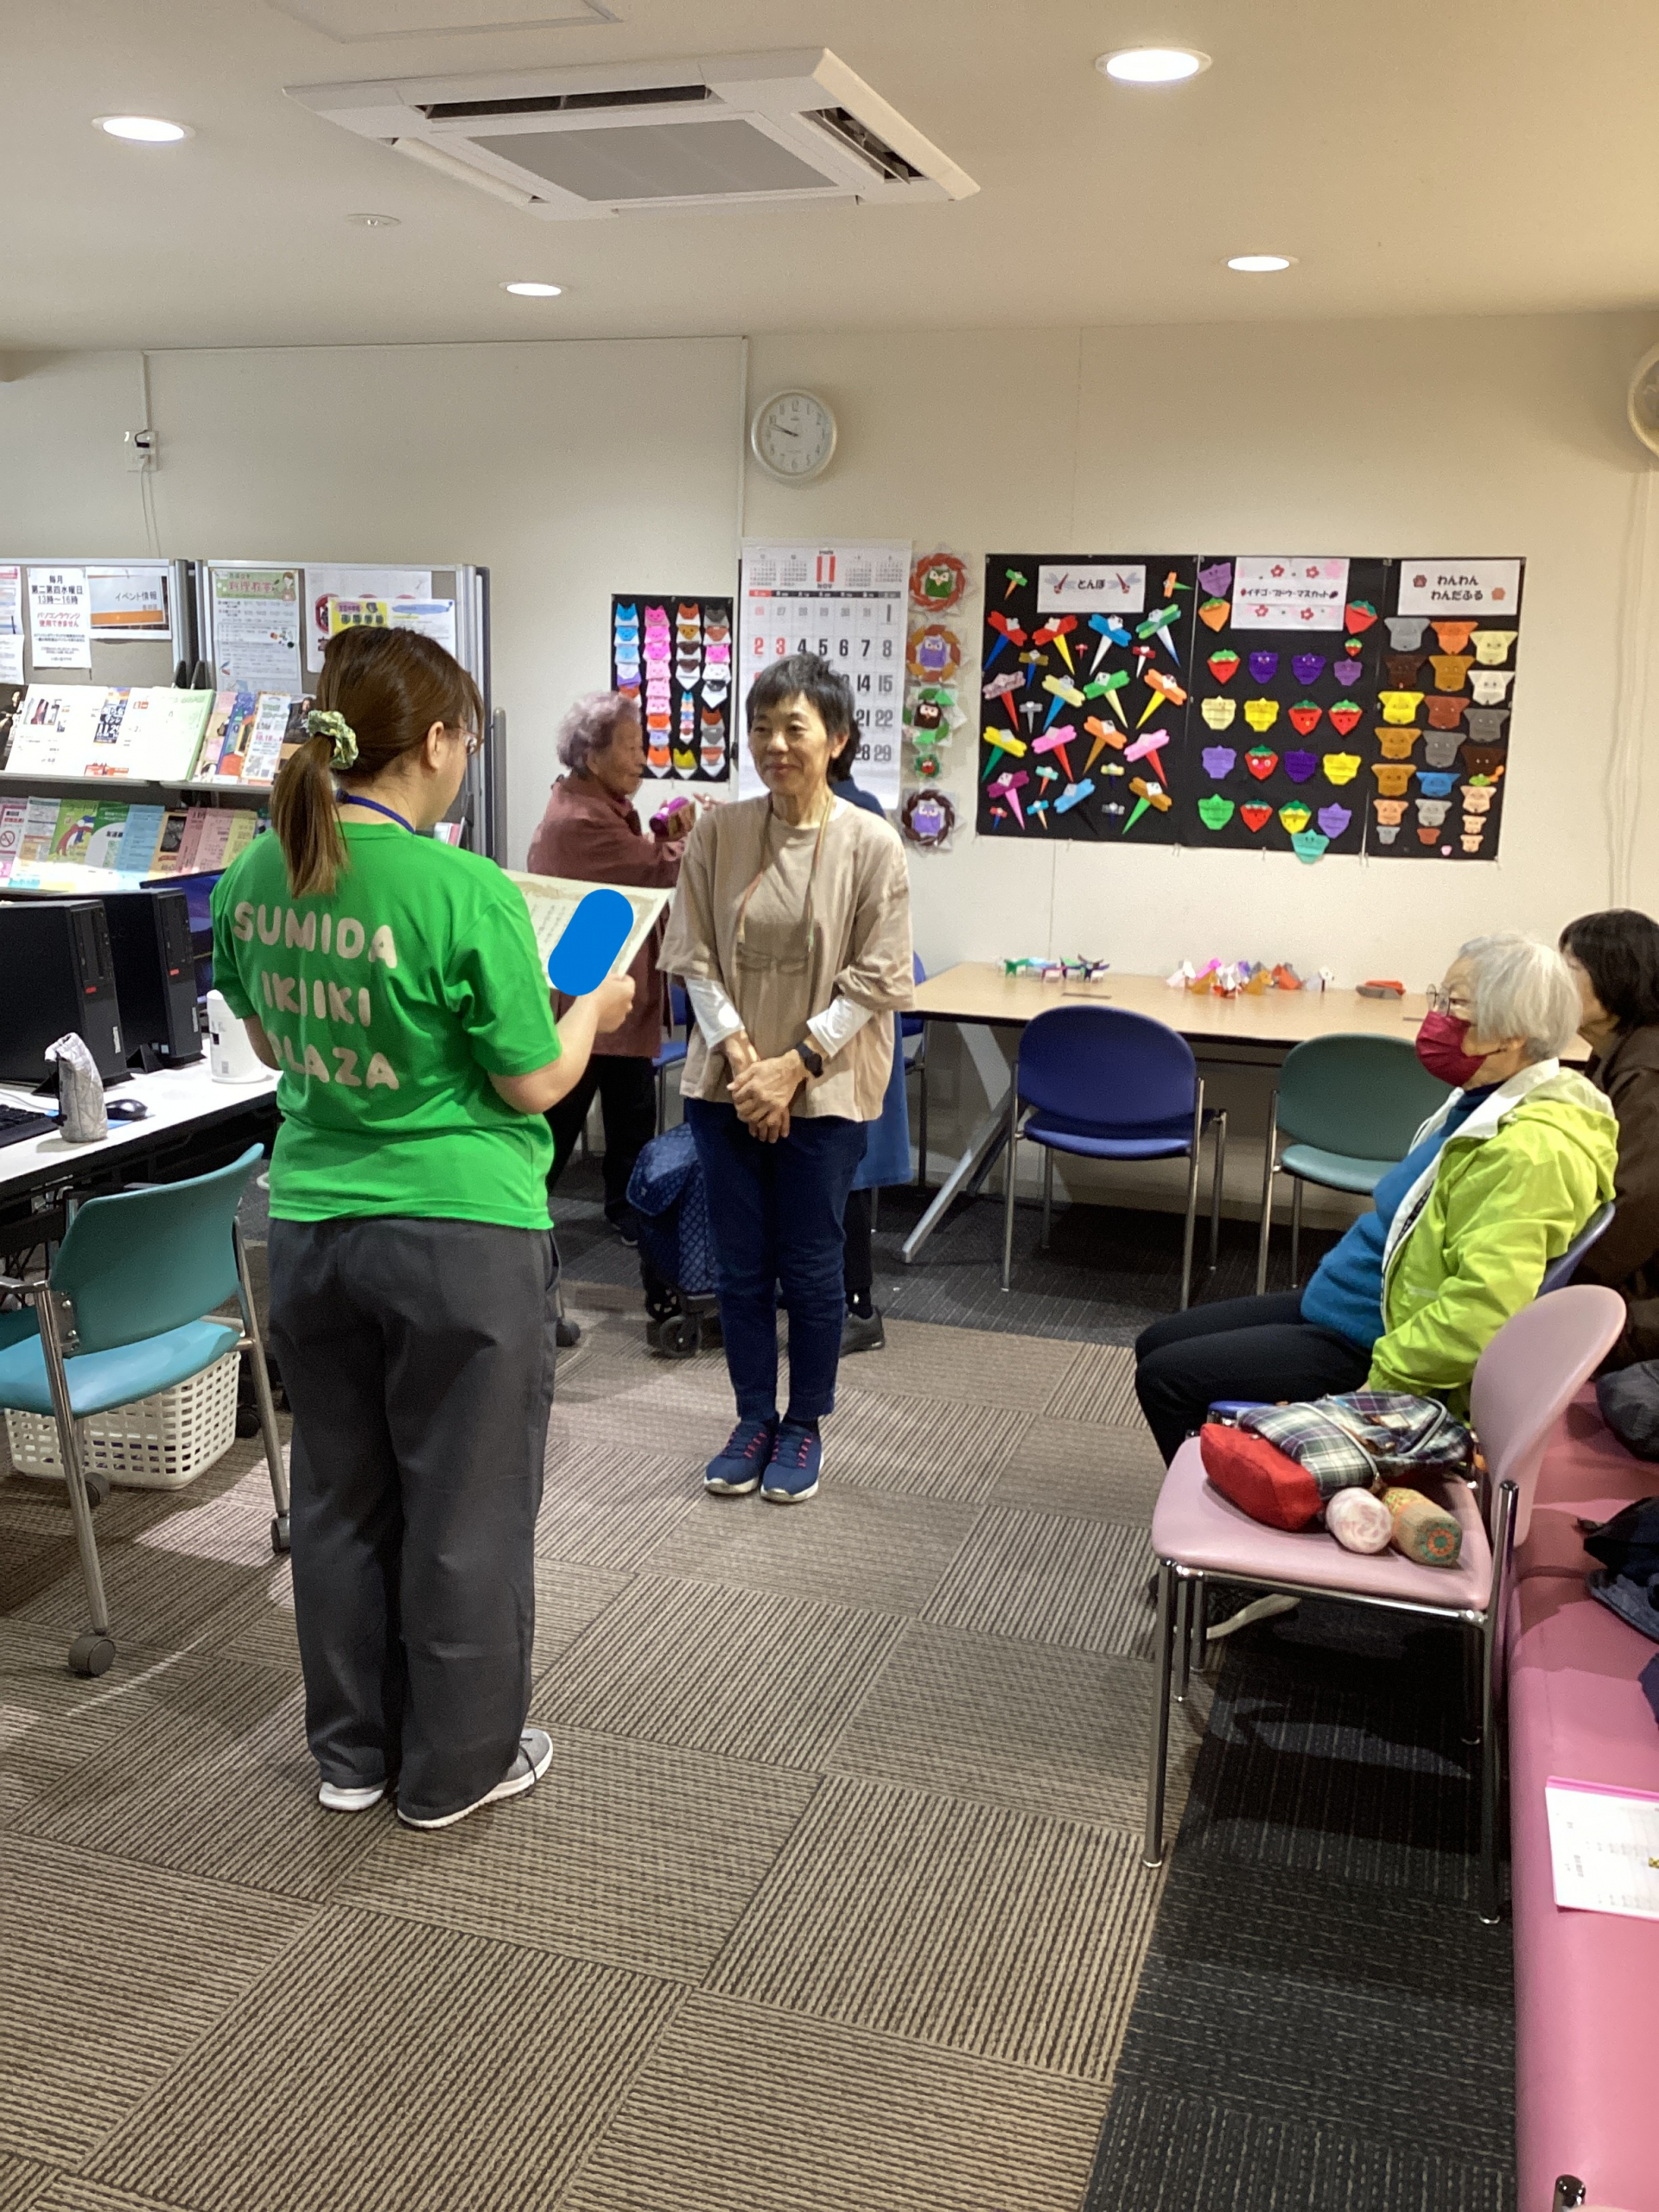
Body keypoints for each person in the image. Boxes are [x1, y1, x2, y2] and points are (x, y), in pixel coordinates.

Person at [211, 626, 632, 1829]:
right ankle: (454, 1768)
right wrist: (594, 1008)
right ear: (439, 740)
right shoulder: (464, 890)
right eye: (469, 742)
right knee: (465, 1510)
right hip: (461, 1239)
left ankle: (351, 1755)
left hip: (314, 1230)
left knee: (340, 1498)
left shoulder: (257, 872)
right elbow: (532, 1083)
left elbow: (275, 1045)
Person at [1134, 932, 1618, 1463]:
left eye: (1455, 1004)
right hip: (1357, 1300)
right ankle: (1234, 1474)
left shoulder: (1530, 1153)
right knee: (1156, 1342)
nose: (1436, 1018)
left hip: (1377, 1342)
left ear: (1513, 1033)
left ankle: (1233, 1497)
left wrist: (1380, 1385)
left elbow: (1482, 1311)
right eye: (1440, 998)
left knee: (1167, 1378)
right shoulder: (1481, 1101)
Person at [661, 652, 913, 1503]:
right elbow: (694, 957)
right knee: (739, 1266)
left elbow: (877, 977)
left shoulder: (871, 842)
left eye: (793, 727)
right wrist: (745, 1064)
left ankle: (803, 1422)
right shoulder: (718, 833)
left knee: (810, 1264)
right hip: (727, 1087)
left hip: (826, 1089)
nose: (774, 744)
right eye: (761, 727)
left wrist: (792, 1068)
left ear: (836, 738)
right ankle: (750, 1418)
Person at [526, 690, 693, 1240]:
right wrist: (697, 838)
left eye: (643, 745)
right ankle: (520, 1216)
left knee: (630, 1110)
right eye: (631, 747)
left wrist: (669, 835)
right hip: (589, 987)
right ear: (592, 756)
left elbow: (636, 860)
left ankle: (626, 1212)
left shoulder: (594, 804)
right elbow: (652, 867)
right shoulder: (579, 819)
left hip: (608, 980)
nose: (643, 758)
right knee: (563, 1115)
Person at [824, 718, 912, 1357]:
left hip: (845, 1026)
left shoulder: (861, 819)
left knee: (843, 1173)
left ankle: (857, 1303)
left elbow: (871, 953)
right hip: (804, 1029)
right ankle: (828, 1295)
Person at [1559, 908, 1659, 1365]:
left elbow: (1632, 1211)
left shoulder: (1647, 1072)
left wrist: (1549, 1280)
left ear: (1618, 979)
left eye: (1571, 969)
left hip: (1640, 1297)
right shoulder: (1617, 1052)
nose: (1554, 983)